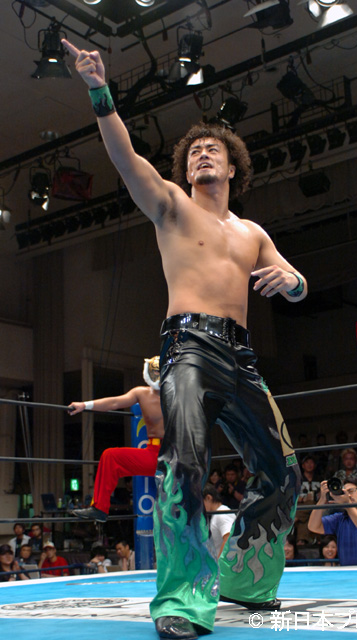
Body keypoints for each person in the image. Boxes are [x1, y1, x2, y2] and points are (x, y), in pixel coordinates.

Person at [63, 38, 306, 640]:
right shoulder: (170, 205)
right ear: (186, 168)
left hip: (241, 358)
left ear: (232, 167)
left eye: (212, 148)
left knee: (284, 470)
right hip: (189, 349)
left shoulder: (252, 232)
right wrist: (99, 90)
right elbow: (125, 159)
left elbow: (295, 282)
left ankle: (244, 581)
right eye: (194, 150)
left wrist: (294, 282)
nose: (202, 153)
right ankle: (181, 600)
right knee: (185, 464)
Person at [68, 356, 162, 522]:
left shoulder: (179, 393)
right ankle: (99, 509)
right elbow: (114, 403)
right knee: (110, 456)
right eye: (154, 371)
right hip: (153, 453)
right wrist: (84, 405)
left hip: (177, 453)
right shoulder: (141, 393)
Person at [308, 480, 357, 566]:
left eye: (351, 491)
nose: (348, 495)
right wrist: (322, 500)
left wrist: (347, 504)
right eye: (344, 493)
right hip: (346, 571)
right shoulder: (339, 518)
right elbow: (313, 526)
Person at [203, 484, 236, 557]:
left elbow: (228, 538)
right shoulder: (218, 514)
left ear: (208, 498)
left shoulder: (221, 514)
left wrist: (220, 561)